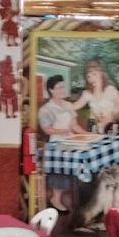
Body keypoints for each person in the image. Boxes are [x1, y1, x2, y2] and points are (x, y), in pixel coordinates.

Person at [38, 75, 85, 212]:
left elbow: (74, 126)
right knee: (59, 171)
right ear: (51, 90)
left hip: (70, 142)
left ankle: (80, 200)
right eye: (59, 87)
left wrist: (87, 134)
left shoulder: (69, 106)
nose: (62, 90)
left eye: (63, 87)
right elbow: (46, 129)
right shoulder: (46, 109)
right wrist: (63, 131)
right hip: (56, 145)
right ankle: (56, 199)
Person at [71, 59, 119, 134]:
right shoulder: (87, 93)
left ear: (101, 74)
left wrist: (110, 115)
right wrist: (61, 106)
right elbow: (76, 105)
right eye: (89, 76)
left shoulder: (110, 89)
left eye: (94, 74)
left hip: (112, 126)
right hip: (98, 127)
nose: (92, 79)